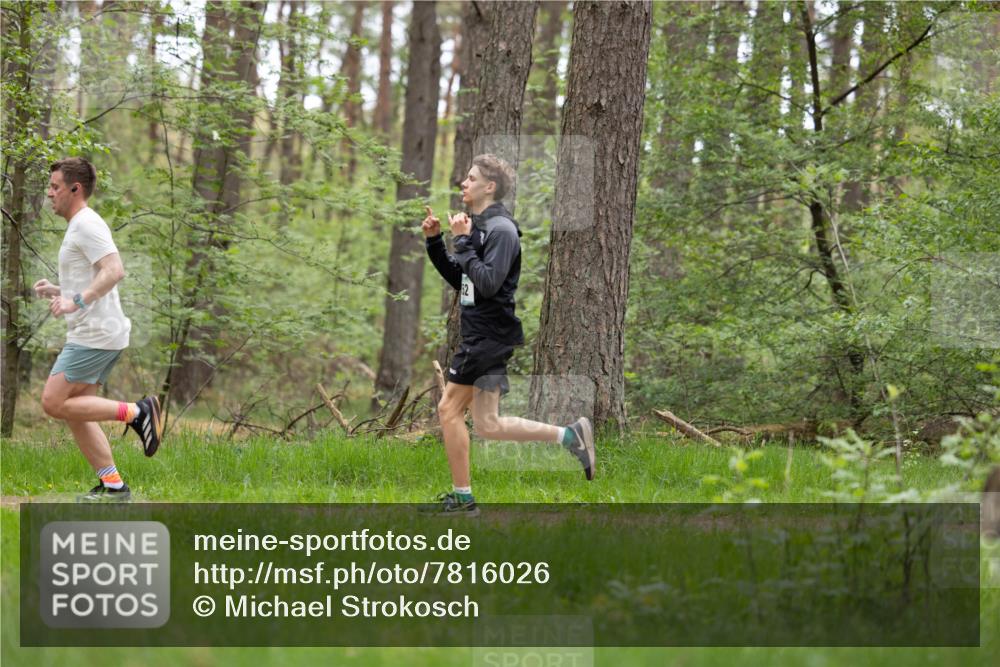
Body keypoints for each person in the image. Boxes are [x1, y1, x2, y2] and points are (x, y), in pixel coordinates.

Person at [420, 154, 595, 516]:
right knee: (488, 424)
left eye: (470, 179)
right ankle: (570, 435)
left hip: (487, 337)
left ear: (490, 186)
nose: (463, 184)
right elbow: (464, 281)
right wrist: (437, 243)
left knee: (448, 409)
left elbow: (487, 283)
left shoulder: (501, 230)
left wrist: (463, 242)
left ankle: (464, 499)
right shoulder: (482, 228)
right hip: (485, 335)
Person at [35, 157, 162, 502]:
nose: (50, 194)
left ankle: (137, 412)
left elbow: (115, 270)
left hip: (95, 334)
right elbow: (91, 278)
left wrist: (76, 300)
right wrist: (59, 291)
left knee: (52, 402)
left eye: (55, 187)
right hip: (97, 332)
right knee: (79, 411)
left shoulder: (87, 224)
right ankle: (114, 486)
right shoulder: (79, 226)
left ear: (75, 189)